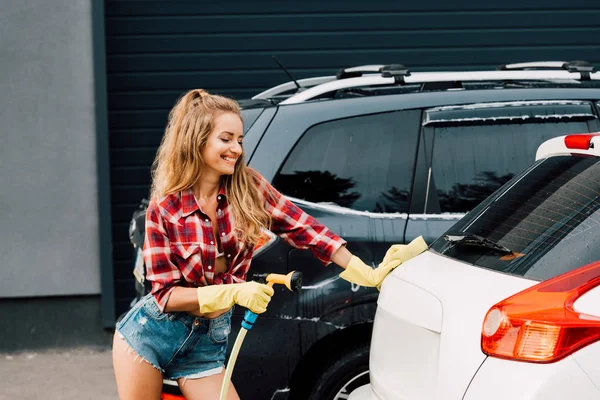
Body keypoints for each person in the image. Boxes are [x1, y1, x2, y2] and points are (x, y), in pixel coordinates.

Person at [112, 89, 427, 400]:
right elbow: (165, 296)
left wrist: (361, 269)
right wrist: (234, 291)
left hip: (204, 347)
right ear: (197, 141)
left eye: (239, 139)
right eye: (226, 139)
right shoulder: (164, 209)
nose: (236, 148)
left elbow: (305, 228)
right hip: (149, 337)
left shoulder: (248, 187)